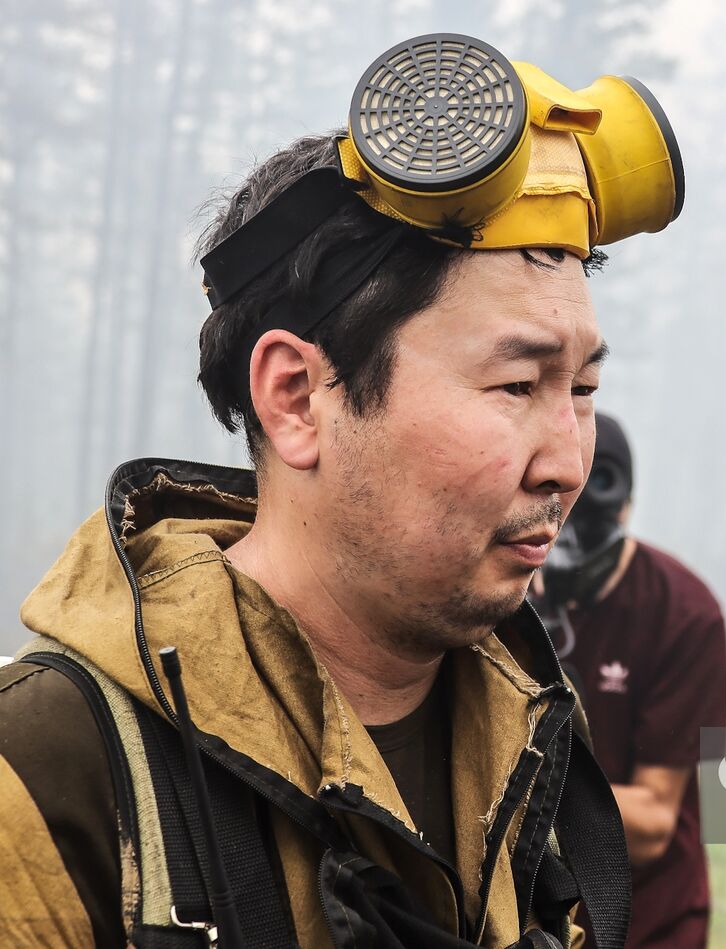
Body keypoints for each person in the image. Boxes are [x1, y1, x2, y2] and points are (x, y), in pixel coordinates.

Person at [0, 31, 684, 949]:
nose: (569, 461)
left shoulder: (539, 746)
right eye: (517, 385)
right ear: (297, 397)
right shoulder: (50, 769)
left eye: (585, 389)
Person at [530, 413, 726, 948]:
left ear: (626, 509)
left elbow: (654, 823)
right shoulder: (512, 599)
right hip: (546, 922)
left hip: (651, 922)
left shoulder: (684, 613)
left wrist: (519, 793)